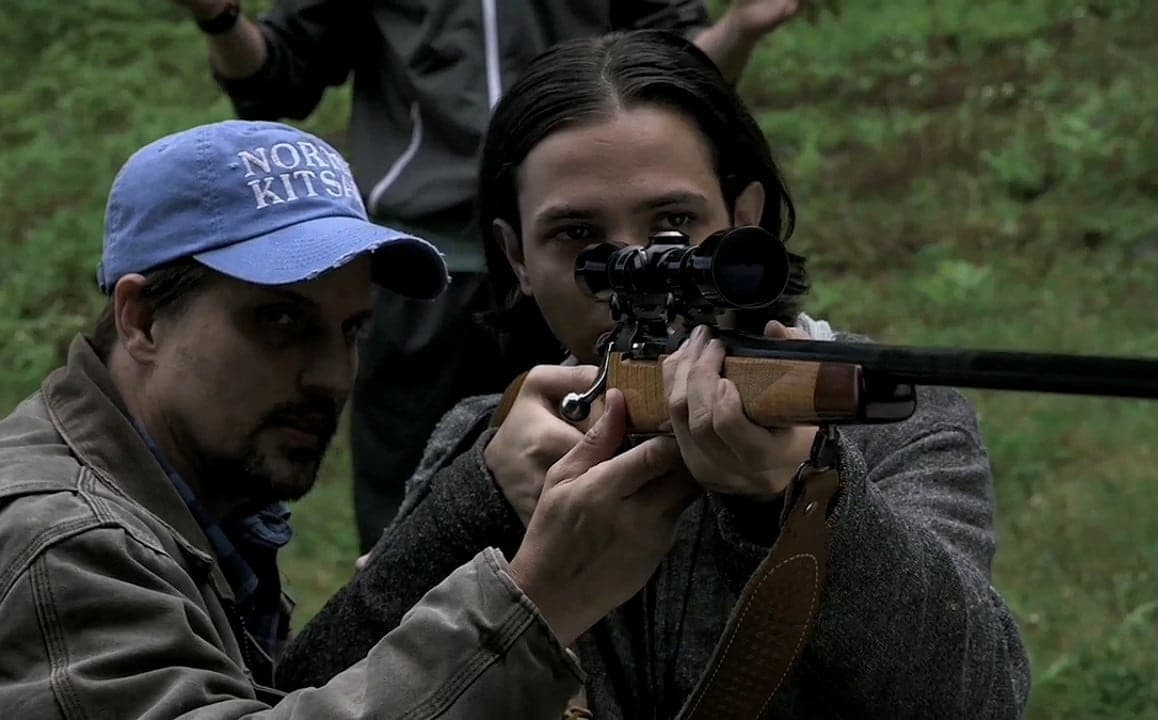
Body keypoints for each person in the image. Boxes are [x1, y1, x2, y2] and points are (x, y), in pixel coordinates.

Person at [275, 32, 1033, 718]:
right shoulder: (488, 435)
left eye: (674, 228)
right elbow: (306, 691)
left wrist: (802, 496)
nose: (638, 269)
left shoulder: (894, 417)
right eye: (578, 237)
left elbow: (979, 695)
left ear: (747, 221)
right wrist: (479, 499)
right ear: (516, 260)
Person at [0, 119, 703, 717]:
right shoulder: (65, 542)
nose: (334, 377)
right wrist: (538, 599)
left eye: (351, 330)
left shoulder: (198, 497)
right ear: (143, 317)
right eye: (279, 321)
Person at [169, 0, 811, 553]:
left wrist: (742, 27)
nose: (631, 252)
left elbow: (672, 81)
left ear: (743, 215)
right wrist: (220, 15)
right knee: (431, 492)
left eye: (673, 220)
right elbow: (277, 79)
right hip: (423, 273)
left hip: (555, 258)